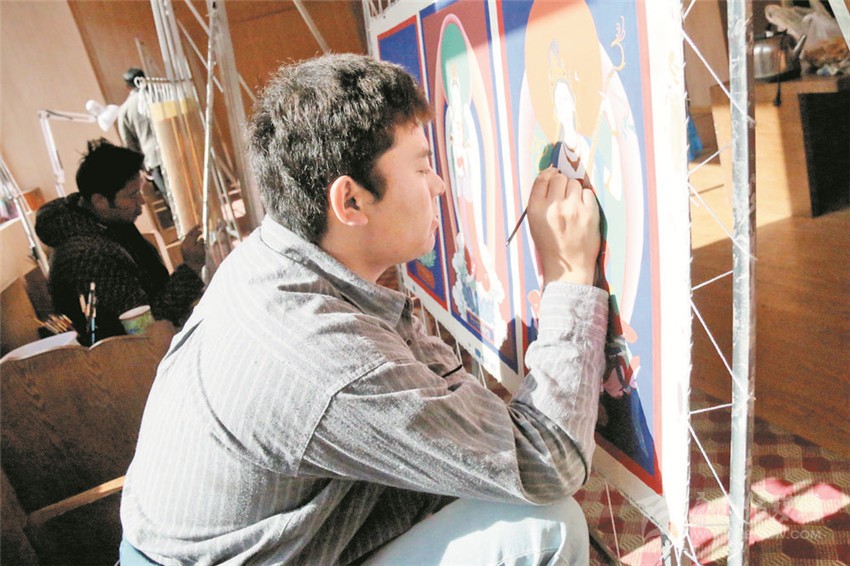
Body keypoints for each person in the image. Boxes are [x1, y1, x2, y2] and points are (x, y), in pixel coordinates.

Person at [120, 54, 608, 565]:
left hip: (234, 538)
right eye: (422, 167)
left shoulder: (267, 254)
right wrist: (568, 276)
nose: (439, 185)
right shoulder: (326, 357)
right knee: (547, 527)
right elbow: (548, 461)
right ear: (350, 202)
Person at [35, 139, 205, 345]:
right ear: (100, 201)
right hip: (123, 354)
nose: (141, 201)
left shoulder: (105, 222)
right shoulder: (88, 257)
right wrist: (191, 267)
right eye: (133, 194)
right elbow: (148, 325)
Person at [118, 67, 168, 199]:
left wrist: (140, 167)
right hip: (174, 147)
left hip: (153, 158)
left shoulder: (125, 110)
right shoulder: (161, 94)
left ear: (127, 87)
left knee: (170, 196)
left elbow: (129, 143)